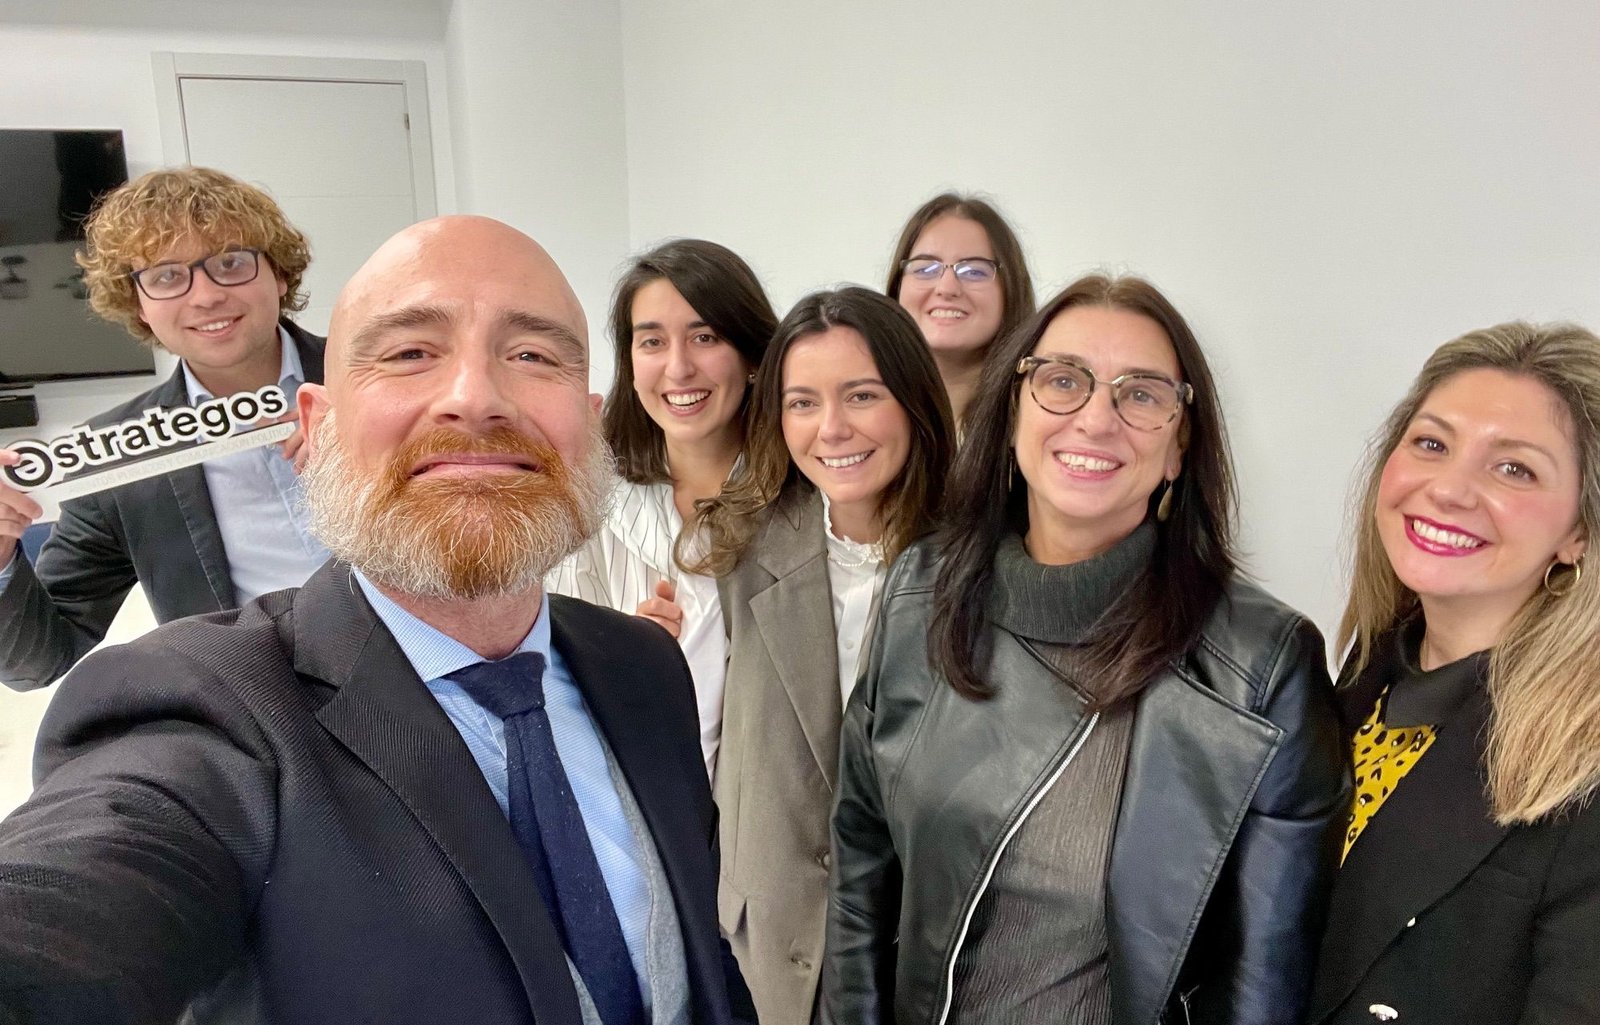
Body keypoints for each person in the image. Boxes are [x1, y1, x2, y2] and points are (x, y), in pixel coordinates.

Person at [0, 216, 755, 1025]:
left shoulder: (645, 665)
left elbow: (700, 962)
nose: (475, 397)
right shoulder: (200, 714)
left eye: (534, 355)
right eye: (409, 353)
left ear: (589, 421)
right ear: (317, 424)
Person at [821, 274, 1349, 1025]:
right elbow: (860, 875)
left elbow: (1262, 984)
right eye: (1063, 380)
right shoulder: (923, 589)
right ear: (1012, 413)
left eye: (1142, 394)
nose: (1097, 419)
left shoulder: (1262, 665)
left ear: (1179, 447)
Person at [1305, 322, 1600, 1025]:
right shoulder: (1357, 682)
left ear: (1578, 533)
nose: (1449, 489)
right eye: (1432, 444)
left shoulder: (1585, 766)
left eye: (1515, 468)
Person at [679, 287, 952, 1025]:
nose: (831, 428)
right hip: (768, 943)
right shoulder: (736, 544)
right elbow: (697, 743)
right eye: (802, 402)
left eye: (861, 395)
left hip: (924, 944)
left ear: (914, 401)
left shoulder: (982, 560)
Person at [0, 166, 329, 690]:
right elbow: (39, 662)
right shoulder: (114, 457)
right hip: (265, 707)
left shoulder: (390, 378)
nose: (206, 296)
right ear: (139, 304)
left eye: (231, 262)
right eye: (167, 276)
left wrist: (388, 440)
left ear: (279, 273)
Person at [547, 239, 776, 779]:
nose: (678, 368)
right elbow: (545, 684)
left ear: (752, 357)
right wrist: (615, 654)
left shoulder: (804, 503)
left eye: (705, 337)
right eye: (652, 341)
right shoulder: (587, 505)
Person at [884, 192, 1035, 428]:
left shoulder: (1035, 419)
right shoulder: (868, 413)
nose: (946, 288)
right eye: (925, 269)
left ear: (1011, 289)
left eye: (974, 271)